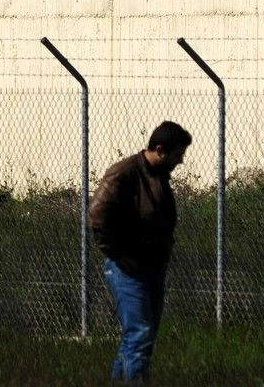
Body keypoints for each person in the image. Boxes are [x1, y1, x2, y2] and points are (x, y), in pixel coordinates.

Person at [88, 120, 192, 382]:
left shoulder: (158, 176)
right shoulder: (125, 173)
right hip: (128, 269)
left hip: (151, 266)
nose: (181, 161)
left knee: (141, 336)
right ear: (160, 150)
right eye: (178, 154)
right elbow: (97, 216)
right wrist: (120, 255)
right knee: (139, 334)